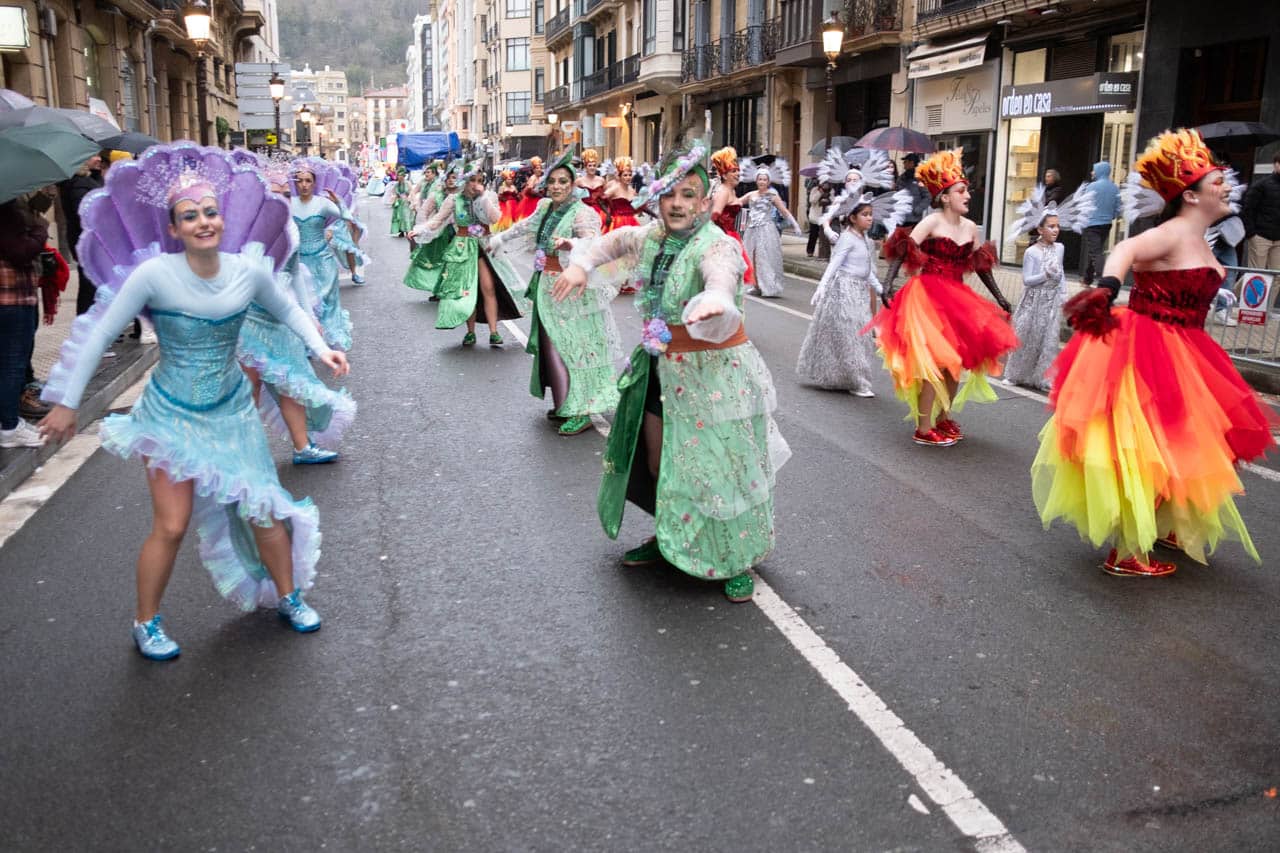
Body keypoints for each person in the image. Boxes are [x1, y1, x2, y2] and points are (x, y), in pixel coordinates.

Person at [38, 144, 350, 659]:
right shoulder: (153, 275)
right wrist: (68, 402)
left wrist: (322, 350)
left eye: (210, 212)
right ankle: (146, 622)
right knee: (172, 525)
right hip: (170, 415)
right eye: (190, 216)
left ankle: (289, 596)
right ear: (175, 228)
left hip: (232, 411)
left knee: (264, 508)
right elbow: (100, 334)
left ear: (221, 219)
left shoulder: (247, 270)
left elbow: (290, 310)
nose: (203, 222)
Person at [554, 140, 791, 603]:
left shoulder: (716, 243)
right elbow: (612, 242)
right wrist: (581, 265)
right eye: (670, 195)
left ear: (703, 202)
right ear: (658, 199)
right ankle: (671, 538)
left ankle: (736, 557)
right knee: (661, 462)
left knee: (720, 469)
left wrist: (716, 298)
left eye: (688, 195)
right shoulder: (651, 238)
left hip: (713, 375)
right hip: (660, 371)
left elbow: (721, 272)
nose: (678, 204)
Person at [1035, 129, 1278, 577]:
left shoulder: (1201, 236)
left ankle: (1161, 520)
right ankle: (1126, 551)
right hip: (1150, 346)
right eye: (1217, 181)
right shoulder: (1172, 233)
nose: (1228, 186)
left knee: (1190, 440)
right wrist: (1108, 287)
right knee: (1150, 444)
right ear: (1191, 196)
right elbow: (1126, 248)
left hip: (1190, 349)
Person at [868, 148, 1018, 447]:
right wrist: (887, 283)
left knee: (954, 363)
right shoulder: (932, 222)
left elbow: (981, 266)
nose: (968, 196)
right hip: (927, 299)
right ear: (945, 197)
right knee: (934, 363)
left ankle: (943, 417)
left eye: (967, 190)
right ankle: (924, 428)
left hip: (957, 300)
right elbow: (902, 249)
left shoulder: (971, 227)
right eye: (961, 191)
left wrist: (1000, 297)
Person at [488, 147, 617, 436]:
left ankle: (580, 409)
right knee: (552, 346)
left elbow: (594, 245)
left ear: (573, 185)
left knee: (572, 346)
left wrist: (573, 244)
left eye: (563, 182)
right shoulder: (546, 207)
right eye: (553, 182)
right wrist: (499, 238)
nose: (557, 187)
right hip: (547, 286)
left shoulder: (583, 213)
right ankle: (567, 403)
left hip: (570, 287)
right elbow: (524, 226)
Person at [238, 166, 356, 465]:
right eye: (272, 195)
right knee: (248, 387)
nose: (279, 201)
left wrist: (310, 317)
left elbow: (293, 275)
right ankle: (243, 451)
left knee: (291, 384)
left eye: (284, 195)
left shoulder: (289, 230)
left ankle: (302, 448)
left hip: (281, 320)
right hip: (248, 322)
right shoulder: (241, 232)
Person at [410, 159, 527, 347]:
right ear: (464, 181)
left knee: (488, 287)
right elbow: (438, 220)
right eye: (472, 180)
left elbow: (495, 218)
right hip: (462, 248)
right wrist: (420, 230)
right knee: (466, 290)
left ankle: (494, 332)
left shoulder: (488, 197)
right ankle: (470, 332)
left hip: (484, 246)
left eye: (479, 180)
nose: (475, 184)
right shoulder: (454, 199)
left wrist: (483, 198)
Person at [1001, 183, 1093, 391]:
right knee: (1027, 337)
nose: (1055, 230)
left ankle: (1042, 378)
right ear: (1040, 229)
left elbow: (1060, 273)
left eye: (1057, 226)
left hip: (1051, 302)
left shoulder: (1060, 248)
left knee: (1048, 340)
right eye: (1051, 226)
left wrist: (1064, 295)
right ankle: (1015, 374)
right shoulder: (1031, 252)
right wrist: (1045, 274)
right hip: (1033, 301)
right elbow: (1027, 280)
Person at [797, 197, 888, 395]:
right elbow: (834, 264)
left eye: (871, 214)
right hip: (844, 290)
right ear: (853, 218)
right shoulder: (847, 238)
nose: (869, 218)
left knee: (860, 335)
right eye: (865, 214)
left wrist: (880, 290)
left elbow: (867, 271)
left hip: (860, 292)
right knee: (849, 336)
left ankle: (848, 378)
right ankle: (858, 382)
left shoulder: (866, 240)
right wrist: (821, 287)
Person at [0, 193, 50, 448]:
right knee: (12, 364)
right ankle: (9, 427)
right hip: (11, 296)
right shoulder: (5, 208)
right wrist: (40, 229)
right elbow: (19, 252)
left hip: (10, 297)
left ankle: (8, 421)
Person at [291, 161, 357, 351]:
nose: (304, 185)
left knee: (328, 300)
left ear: (314, 183)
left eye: (308, 181)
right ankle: (310, 340)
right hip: (300, 262)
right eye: (300, 181)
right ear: (295, 183)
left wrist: (338, 202)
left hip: (323, 259)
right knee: (306, 302)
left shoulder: (322, 203)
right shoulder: (290, 204)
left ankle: (331, 337)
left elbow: (347, 217)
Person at [740, 165, 802, 297]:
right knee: (751, 257)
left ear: (768, 182)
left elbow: (784, 211)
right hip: (752, 230)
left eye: (764, 179)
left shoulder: (772, 196)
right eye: (760, 179)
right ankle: (756, 285)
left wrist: (795, 225)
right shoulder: (751, 194)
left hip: (766, 230)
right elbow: (736, 203)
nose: (762, 182)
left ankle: (768, 285)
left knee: (765, 257)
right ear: (756, 180)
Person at [403, 160, 457, 297]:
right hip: (438, 232)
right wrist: (421, 230)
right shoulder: (436, 195)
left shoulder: (463, 196)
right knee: (437, 261)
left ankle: (452, 289)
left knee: (454, 262)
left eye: (454, 177)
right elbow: (424, 212)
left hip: (458, 234)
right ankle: (437, 289)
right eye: (449, 177)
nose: (451, 180)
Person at [709, 146, 754, 284]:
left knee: (734, 276)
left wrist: (750, 196)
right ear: (724, 175)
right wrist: (721, 237)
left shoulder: (731, 191)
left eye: (738, 171)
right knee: (726, 275)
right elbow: (714, 214)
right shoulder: (723, 191)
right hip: (724, 237)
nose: (737, 174)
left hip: (732, 236)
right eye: (733, 171)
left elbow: (734, 205)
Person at [1080, 160, 1119, 285]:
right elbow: (1118, 207)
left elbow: (1084, 204)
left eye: (1094, 170)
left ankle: (1105, 280)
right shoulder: (1115, 187)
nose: (1092, 172)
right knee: (1095, 251)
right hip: (1106, 224)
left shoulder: (1091, 187)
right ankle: (1088, 278)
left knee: (1096, 252)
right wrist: (1111, 216)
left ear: (1100, 171)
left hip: (1092, 224)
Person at [1241, 152, 1280, 272]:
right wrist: (1252, 234)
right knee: (1256, 274)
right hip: (1260, 237)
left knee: (1277, 275)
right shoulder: (1261, 185)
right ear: (1276, 165)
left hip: (1278, 239)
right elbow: (1247, 209)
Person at [389, 166, 415, 238]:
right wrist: (395, 198)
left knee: (406, 216)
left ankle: (408, 231)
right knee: (399, 217)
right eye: (398, 175)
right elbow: (393, 192)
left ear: (404, 176)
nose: (400, 177)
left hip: (406, 202)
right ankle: (401, 231)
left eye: (401, 175)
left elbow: (412, 192)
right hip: (399, 202)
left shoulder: (408, 183)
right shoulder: (396, 185)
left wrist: (410, 200)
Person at [804, 180, 826, 257]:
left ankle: (823, 253)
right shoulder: (815, 189)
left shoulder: (831, 190)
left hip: (825, 216)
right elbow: (812, 201)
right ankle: (810, 251)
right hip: (815, 216)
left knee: (824, 236)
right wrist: (819, 193)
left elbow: (832, 201)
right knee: (813, 234)